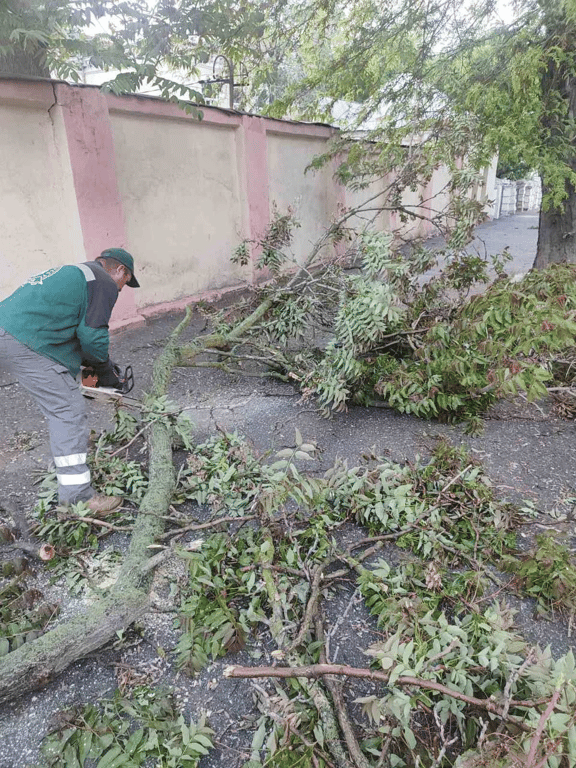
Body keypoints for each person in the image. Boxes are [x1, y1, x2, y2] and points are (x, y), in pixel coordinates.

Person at [0, 248, 140, 516]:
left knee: (63, 384)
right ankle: (78, 498)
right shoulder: (103, 282)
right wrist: (106, 372)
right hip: (23, 341)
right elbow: (93, 338)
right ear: (120, 270)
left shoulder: (76, 273)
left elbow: (68, 337)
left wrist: (91, 372)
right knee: (67, 411)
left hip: (8, 329)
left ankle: (68, 462)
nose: (121, 290)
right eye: (125, 283)